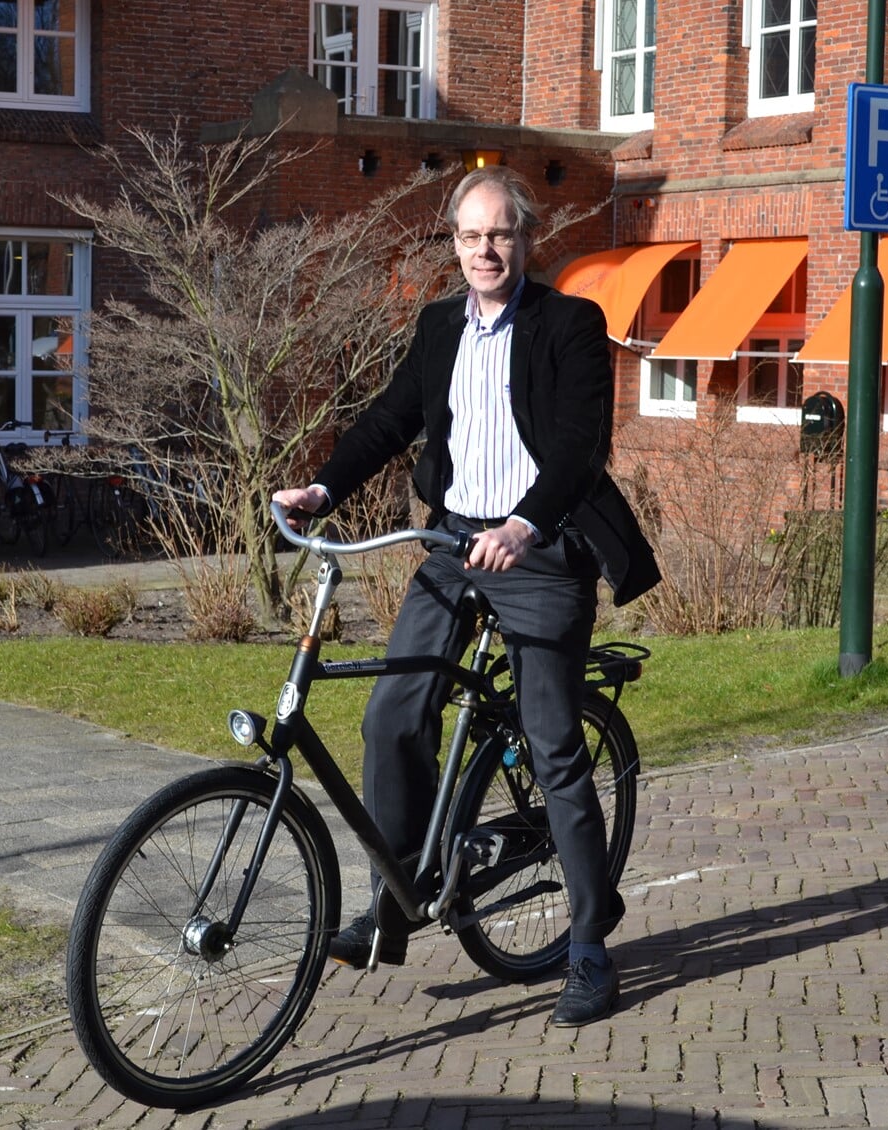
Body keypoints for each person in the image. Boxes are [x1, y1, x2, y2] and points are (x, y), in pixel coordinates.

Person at [272, 167, 659, 1028]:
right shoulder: (440, 324)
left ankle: (592, 945)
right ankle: (396, 899)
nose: (486, 250)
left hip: (542, 552)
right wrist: (323, 491)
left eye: (501, 234)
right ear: (452, 244)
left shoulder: (569, 324)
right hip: (452, 546)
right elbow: (387, 420)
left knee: (555, 744)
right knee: (391, 715)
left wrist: (526, 526)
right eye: (470, 236)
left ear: (526, 240)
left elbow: (577, 447)